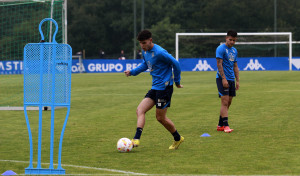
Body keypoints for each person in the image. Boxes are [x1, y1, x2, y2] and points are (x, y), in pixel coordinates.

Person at [124, 30, 184, 150]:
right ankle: (136, 139)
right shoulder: (145, 51)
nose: (142, 46)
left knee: (160, 118)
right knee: (140, 110)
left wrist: (177, 81)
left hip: (165, 88)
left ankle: (178, 138)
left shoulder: (160, 52)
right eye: (140, 43)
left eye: (144, 43)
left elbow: (176, 64)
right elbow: (145, 65)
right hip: (155, 87)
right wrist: (132, 72)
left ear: (150, 40)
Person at [216, 30, 240, 133]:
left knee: (229, 102)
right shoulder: (221, 49)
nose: (232, 42)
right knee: (225, 102)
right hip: (222, 79)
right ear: (226, 38)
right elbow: (219, 64)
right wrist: (223, 79)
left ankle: (220, 125)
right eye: (230, 40)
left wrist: (237, 80)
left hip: (231, 80)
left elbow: (235, 66)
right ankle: (226, 126)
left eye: (234, 40)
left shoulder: (234, 51)